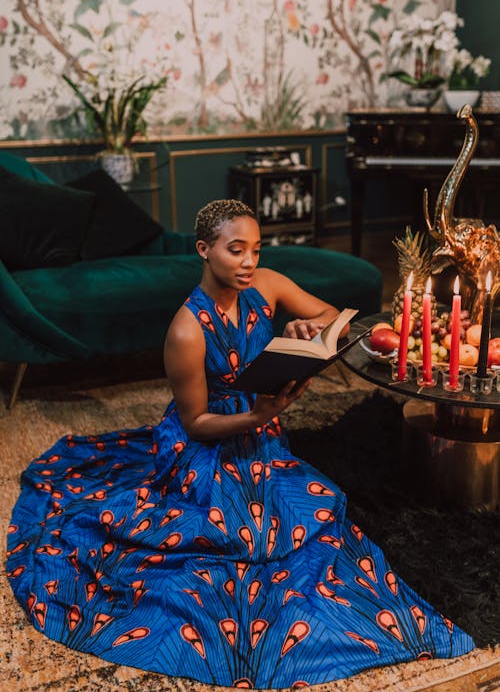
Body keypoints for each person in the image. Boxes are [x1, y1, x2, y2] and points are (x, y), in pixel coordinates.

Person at [7, 200, 474, 689]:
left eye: (255, 249)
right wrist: (257, 415)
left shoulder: (267, 285)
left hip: (259, 427)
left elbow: (334, 316)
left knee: (301, 507)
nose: (249, 261)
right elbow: (196, 422)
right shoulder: (185, 331)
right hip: (206, 442)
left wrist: (306, 327)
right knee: (239, 532)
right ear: (205, 251)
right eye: (236, 250)